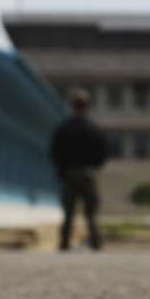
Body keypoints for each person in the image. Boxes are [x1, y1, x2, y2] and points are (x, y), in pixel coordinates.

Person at [49, 89, 108, 251]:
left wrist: (61, 168)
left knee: (68, 212)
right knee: (91, 212)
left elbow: (55, 152)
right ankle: (95, 243)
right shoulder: (94, 129)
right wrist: (95, 167)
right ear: (88, 106)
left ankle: (65, 242)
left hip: (69, 173)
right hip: (88, 173)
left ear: (72, 106)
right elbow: (102, 153)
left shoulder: (63, 128)